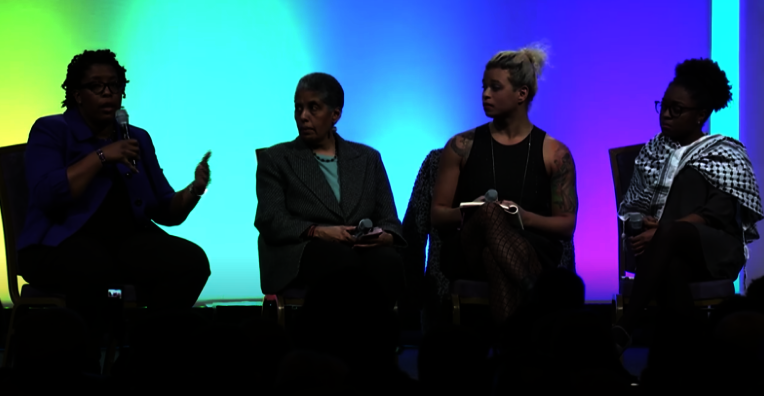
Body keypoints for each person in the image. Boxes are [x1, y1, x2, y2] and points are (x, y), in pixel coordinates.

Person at [17, 49, 212, 319]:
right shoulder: (52, 130)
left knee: (191, 262)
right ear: (77, 95)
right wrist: (101, 156)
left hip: (123, 244)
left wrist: (195, 190)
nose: (108, 92)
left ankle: (150, 345)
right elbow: (47, 195)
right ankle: (89, 353)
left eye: (114, 86)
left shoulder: (137, 138)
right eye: (96, 86)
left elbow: (165, 209)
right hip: (57, 244)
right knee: (96, 269)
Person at [614, 58, 764, 352]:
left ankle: (624, 327)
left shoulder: (725, 152)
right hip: (658, 250)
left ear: (701, 114)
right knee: (672, 266)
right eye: (663, 105)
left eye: (676, 109)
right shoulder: (652, 151)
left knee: (670, 235)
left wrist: (664, 231)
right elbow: (633, 207)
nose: (666, 115)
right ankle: (692, 359)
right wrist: (640, 226)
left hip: (712, 249)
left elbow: (717, 214)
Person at [430, 46, 578, 323]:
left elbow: (566, 224)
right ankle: (534, 291)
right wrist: (475, 212)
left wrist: (524, 217)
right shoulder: (461, 146)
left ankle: (509, 350)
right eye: (484, 86)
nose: (485, 94)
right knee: (488, 211)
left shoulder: (555, 153)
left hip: (531, 246)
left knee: (494, 257)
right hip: (467, 247)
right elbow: (437, 214)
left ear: (521, 94)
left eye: (495, 87)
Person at [255, 72, 405, 304]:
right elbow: (270, 219)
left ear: (335, 114)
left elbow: (389, 220)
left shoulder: (367, 158)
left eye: (313, 108)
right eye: (298, 108)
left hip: (359, 248)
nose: (303, 116)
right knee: (341, 261)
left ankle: (377, 337)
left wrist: (384, 236)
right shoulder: (277, 159)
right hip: (302, 250)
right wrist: (318, 231)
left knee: (388, 262)